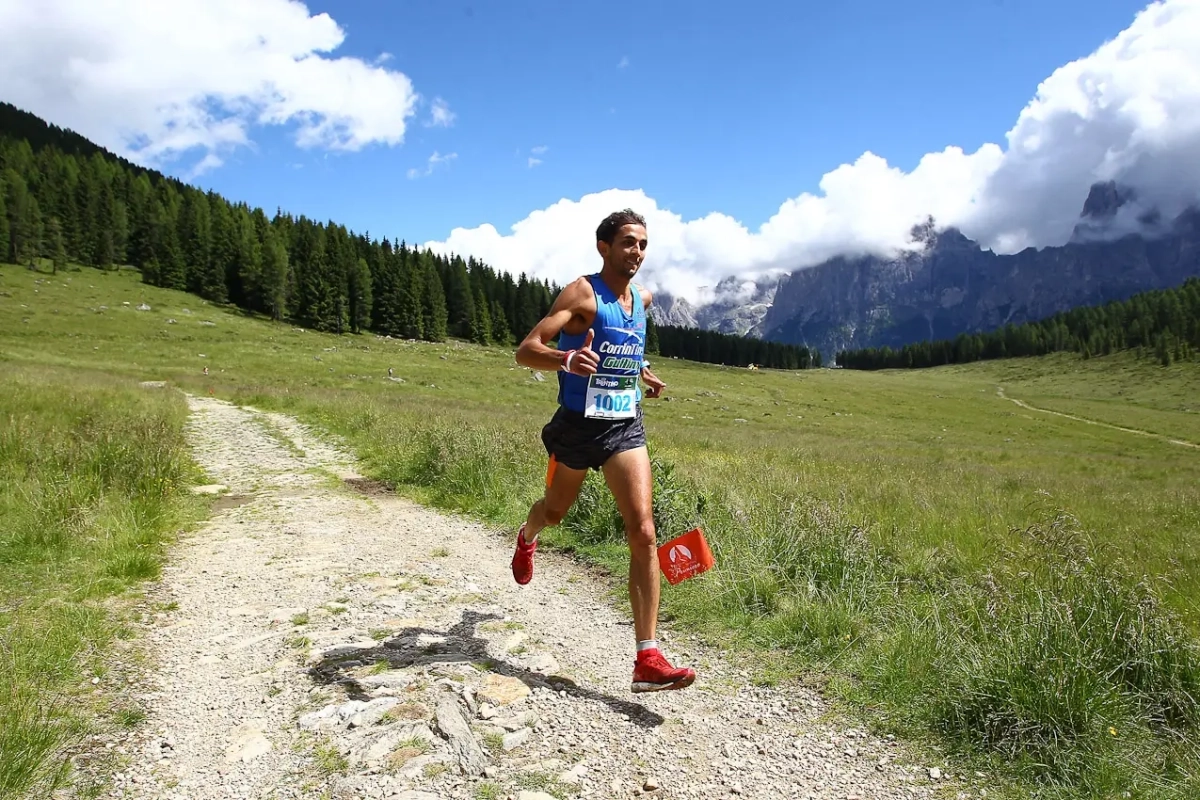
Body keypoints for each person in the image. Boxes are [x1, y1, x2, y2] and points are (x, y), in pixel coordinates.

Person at [511, 208, 696, 694]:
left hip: (624, 427)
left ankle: (647, 658)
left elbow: (626, 344)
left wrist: (642, 371)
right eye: (628, 243)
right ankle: (527, 535)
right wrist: (566, 358)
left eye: (642, 245)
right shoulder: (582, 294)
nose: (636, 252)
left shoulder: (643, 298)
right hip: (577, 428)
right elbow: (526, 349)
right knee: (554, 512)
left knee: (644, 530)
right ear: (604, 247)